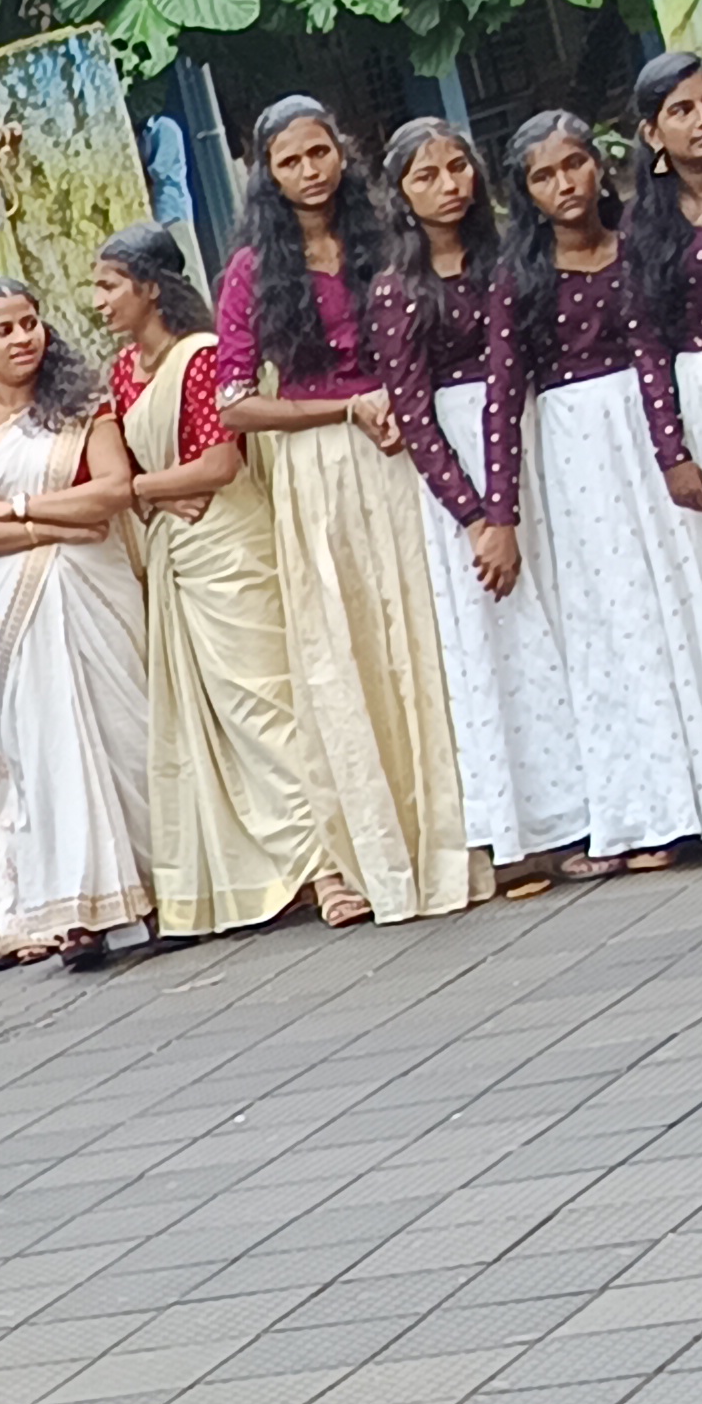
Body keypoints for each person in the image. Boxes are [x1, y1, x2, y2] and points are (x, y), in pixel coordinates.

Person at [217, 94, 474, 926]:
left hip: (406, 450)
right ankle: (371, 854)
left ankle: (469, 834)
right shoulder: (253, 271)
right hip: (321, 465)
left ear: (343, 153)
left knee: (428, 636)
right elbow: (235, 405)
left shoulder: (389, 238)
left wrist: (400, 403)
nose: (310, 172)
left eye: (320, 153)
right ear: (266, 174)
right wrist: (346, 408)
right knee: (347, 652)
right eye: (290, 161)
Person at [499, 106, 702, 871]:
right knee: (618, 624)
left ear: (599, 165)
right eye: (543, 176)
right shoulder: (521, 277)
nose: (564, 184)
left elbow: (655, 348)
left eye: (574, 164)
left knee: (686, 608)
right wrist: (497, 515)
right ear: (525, 193)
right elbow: (504, 401)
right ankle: (648, 813)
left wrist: (672, 449)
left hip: (653, 435)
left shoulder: (639, 243)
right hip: (577, 457)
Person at [94, 221, 329, 940]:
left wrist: (144, 490)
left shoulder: (200, 358)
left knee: (264, 700)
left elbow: (219, 465)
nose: (99, 301)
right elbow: (153, 471)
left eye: (109, 285)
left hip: (228, 542)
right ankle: (275, 871)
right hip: (177, 547)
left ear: (150, 288)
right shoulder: (123, 371)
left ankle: (328, 863)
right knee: (219, 715)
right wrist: (159, 491)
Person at [0, 277, 155, 965]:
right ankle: (78, 910)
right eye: (3, 330)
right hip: (9, 614)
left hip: (93, 594)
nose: (22, 338)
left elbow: (112, 491)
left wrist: (20, 508)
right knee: (43, 753)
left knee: (124, 731)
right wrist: (51, 530)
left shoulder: (82, 407)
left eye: (30, 323)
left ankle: (156, 888)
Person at [378, 118, 564, 888]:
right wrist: (479, 518)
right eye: (426, 175)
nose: (448, 185)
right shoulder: (396, 289)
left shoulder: (508, 263)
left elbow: (510, 381)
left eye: (458, 168)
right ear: (400, 193)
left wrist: (508, 507)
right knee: (487, 639)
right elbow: (413, 414)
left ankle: (590, 805)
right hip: (455, 472)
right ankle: (520, 823)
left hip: (528, 445)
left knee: (559, 618)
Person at [629, 49, 702, 658]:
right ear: (653, 134)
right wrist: (672, 455)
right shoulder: (644, 227)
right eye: (683, 110)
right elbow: (648, 347)